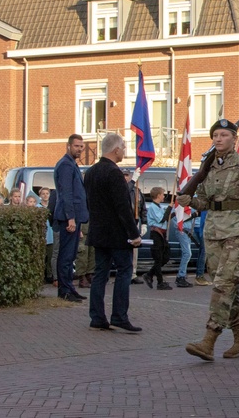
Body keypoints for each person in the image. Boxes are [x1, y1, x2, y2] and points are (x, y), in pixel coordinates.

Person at [178, 118, 239, 361]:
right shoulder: (209, 167)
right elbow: (204, 201)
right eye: (215, 135)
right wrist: (190, 201)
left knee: (223, 286)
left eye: (224, 135)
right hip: (214, 233)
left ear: (234, 139)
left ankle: (209, 340)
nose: (218, 139)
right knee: (229, 288)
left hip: (238, 233)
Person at [84, 132, 143, 332]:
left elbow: (90, 203)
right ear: (116, 149)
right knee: (125, 271)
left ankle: (97, 316)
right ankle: (119, 315)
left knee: (100, 273)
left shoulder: (91, 172)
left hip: (98, 232)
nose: (124, 151)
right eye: (123, 148)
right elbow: (122, 207)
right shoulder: (114, 173)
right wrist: (134, 234)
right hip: (117, 235)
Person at [54, 134, 89, 303]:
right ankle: (64, 289)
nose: (80, 149)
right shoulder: (65, 165)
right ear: (68, 146)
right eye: (76, 146)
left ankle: (69, 288)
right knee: (66, 255)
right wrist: (71, 218)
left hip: (75, 216)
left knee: (71, 254)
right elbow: (66, 193)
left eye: (81, 146)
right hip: (69, 216)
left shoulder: (72, 164)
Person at [144, 187, 173, 291]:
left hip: (162, 234)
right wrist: (169, 208)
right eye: (163, 194)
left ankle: (149, 274)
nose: (164, 196)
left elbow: (166, 218)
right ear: (158, 195)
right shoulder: (152, 207)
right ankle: (160, 282)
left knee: (166, 257)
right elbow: (161, 219)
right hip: (156, 233)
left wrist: (173, 212)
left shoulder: (159, 206)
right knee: (158, 258)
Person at [39, 187, 55, 284]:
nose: (45, 195)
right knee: (42, 257)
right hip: (42, 235)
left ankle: (49, 275)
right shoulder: (38, 207)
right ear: (40, 195)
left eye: (47, 193)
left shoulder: (52, 206)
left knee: (50, 256)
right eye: (43, 194)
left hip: (51, 235)